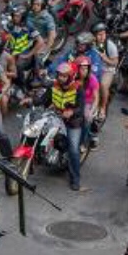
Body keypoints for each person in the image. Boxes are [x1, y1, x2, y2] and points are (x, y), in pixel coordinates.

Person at [49, 63, 88, 191]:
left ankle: (75, 179)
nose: (61, 78)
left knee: (73, 150)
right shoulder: (54, 85)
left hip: (73, 122)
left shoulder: (78, 88)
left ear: (70, 76)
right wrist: (30, 100)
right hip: (57, 118)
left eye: (64, 76)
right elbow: (44, 99)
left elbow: (81, 109)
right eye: (60, 75)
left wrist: (71, 112)